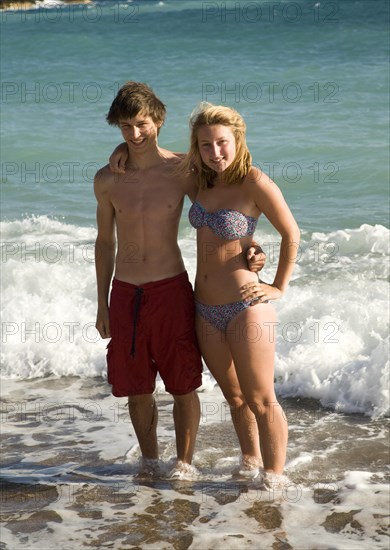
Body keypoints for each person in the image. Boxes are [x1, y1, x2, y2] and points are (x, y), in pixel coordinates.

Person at [94, 82, 265, 480]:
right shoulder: (107, 178)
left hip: (170, 287)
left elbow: (227, 203)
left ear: (158, 121)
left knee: (182, 383)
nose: (134, 135)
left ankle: (185, 464)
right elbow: (105, 243)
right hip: (125, 292)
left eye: (141, 125)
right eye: (124, 127)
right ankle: (150, 461)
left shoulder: (183, 170)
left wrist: (252, 248)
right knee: (136, 387)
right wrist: (101, 303)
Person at [183, 102, 300, 487]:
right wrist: (121, 151)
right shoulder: (200, 180)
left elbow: (291, 234)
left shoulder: (254, 182)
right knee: (234, 398)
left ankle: (275, 480)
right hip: (205, 309)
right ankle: (250, 463)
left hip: (246, 306)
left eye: (222, 143)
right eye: (205, 145)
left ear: (237, 140)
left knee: (262, 399)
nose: (214, 153)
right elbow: (154, 157)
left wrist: (278, 286)